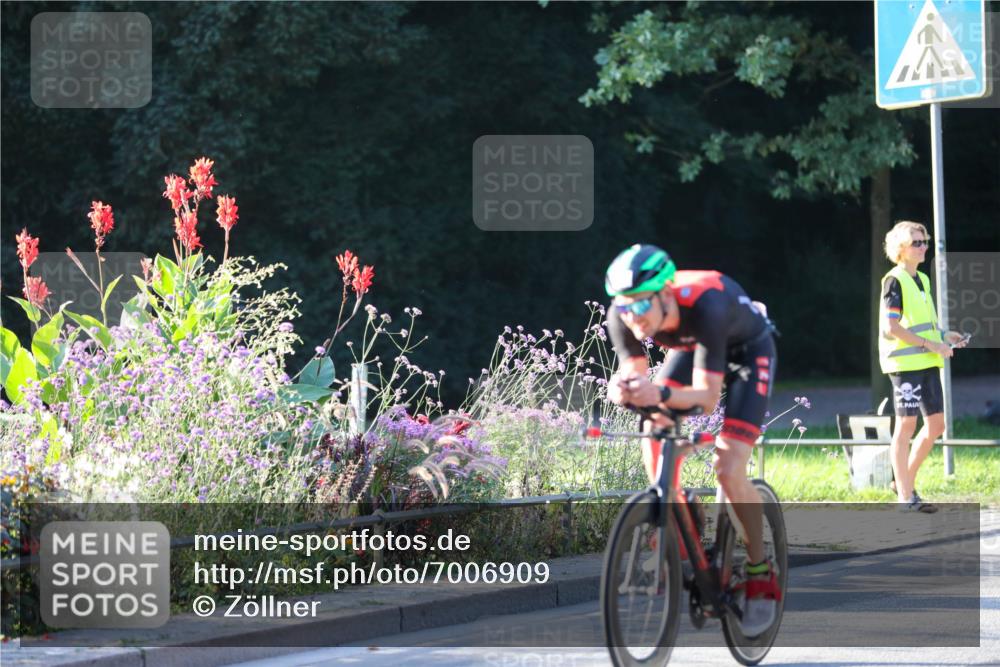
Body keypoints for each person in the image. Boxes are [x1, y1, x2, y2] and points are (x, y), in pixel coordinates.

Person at [603, 243, 779, 637]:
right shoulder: (623, 315)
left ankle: (758, 570)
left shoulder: (707, 306)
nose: (632, 317)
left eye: (640, 306)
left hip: (748, 353)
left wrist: (660, 395)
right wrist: (628, 388)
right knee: (653, 433)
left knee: (729, 467)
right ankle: (682, 523)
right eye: (624, 307)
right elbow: (636, 373)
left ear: (665, 294)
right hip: (694, 349)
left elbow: (705, 398)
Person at [878, 221, 968, 513]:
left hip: (927, 361)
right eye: (917, 243)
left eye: (925, 241)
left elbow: (925, 323)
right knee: (906, 425)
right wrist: (932, 345)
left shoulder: (923, 279)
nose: (924, 247)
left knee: (937, 426)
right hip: (905, 363)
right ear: (901, 248)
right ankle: (906, 495)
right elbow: (892, 328)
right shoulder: (894, 280)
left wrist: (944, 335)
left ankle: (903, 481)